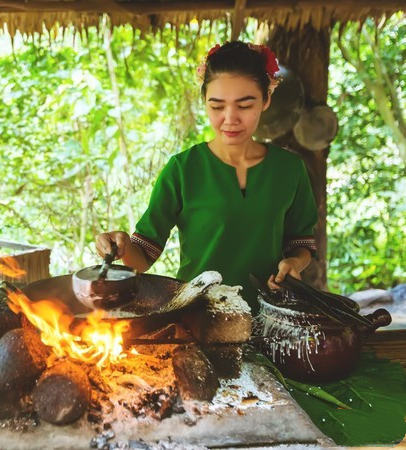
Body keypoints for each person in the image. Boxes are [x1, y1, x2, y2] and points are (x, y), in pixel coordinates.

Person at [95, 41, 318, 312]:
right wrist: (121, 245)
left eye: (245, 105)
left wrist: (294, 263)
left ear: (266, 99)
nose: (230, 118)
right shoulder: (183, 169)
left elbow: (301, 244)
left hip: (271, 318)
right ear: (204, 102)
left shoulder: (289, 170)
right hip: (196, 317)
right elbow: (143, 256)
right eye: (217, 106)